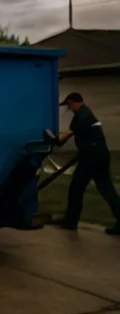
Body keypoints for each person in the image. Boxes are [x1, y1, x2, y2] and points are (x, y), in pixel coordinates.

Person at [51, 92, 120, 235]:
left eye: (69, 105)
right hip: (101, 154)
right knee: (106, 189)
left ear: (72, 102)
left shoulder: (82, 116)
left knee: (76, 187)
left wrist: (52, 140)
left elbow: (66, 135)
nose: (69, 108)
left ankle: (70, 221)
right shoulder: (86, 113)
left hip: (91, 156)